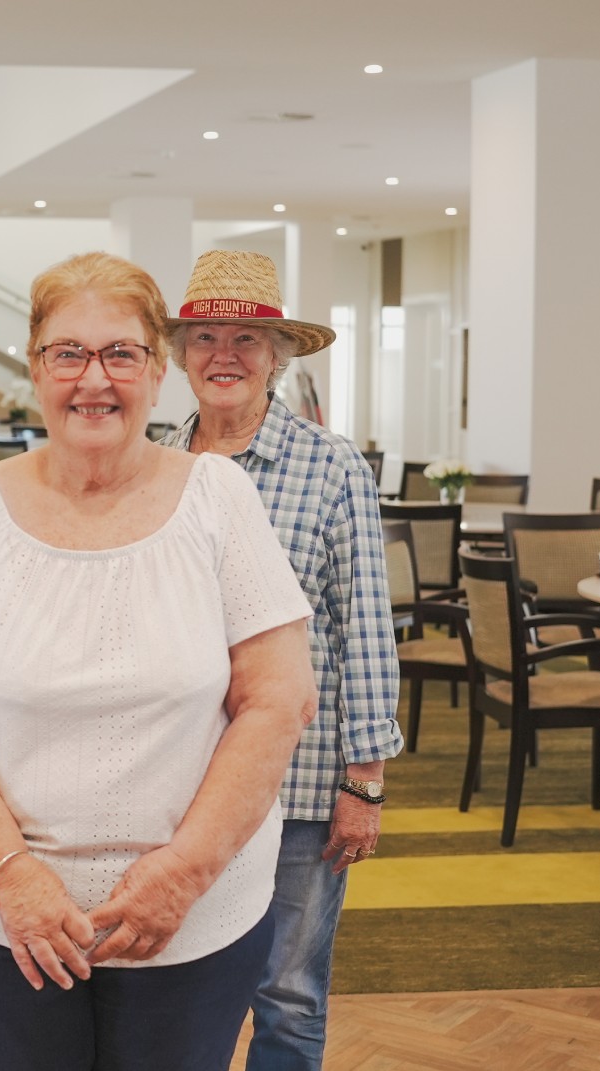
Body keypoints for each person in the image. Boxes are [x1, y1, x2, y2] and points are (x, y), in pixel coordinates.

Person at [0, 251, 318, 1070]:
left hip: (194, 918)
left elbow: (278, 697)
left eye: (121, 353)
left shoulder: (221, 497)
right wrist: (12, 873)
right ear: (36, 366)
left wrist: (183, 872)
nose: (95, 379)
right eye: (69, 353)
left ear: (158, 371)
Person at [160, 250, 401, 1070]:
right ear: (181, 353)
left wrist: (363, 781)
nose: (223, 354)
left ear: (277, 356)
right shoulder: (152, 459)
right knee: (178, 984)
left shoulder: (331, 467)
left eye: (246, 338)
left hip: (295, 782)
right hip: (173, 777)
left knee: (287, 992)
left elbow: (364, 627)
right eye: (204, 336)